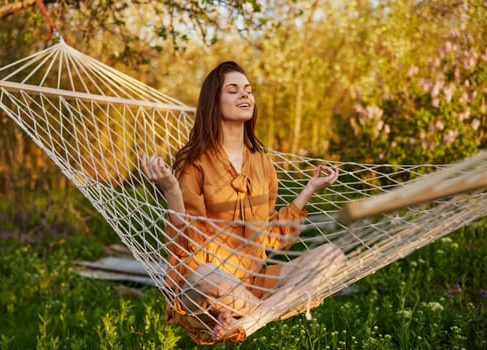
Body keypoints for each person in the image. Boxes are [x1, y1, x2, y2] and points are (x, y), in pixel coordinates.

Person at [141, 61, 345, 344]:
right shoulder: (194, 163)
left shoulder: (262, 164)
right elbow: (182, 244)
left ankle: (246, 318)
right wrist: (171, 191)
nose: (245, 95)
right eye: (233, 90)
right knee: (207, 274)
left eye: (248, 90)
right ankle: (255, 314)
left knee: (332, 255)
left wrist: (309, 188)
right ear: (214, 103)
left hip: (249, 287)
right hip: (202, 289)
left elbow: (270, 238)